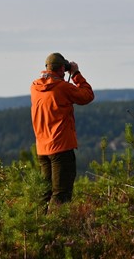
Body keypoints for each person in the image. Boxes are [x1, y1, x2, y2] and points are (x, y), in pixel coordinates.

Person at [30, 52, 94, 208]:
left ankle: (39, 227)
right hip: (61, 148)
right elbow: (87, 96)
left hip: (42, 150)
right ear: (61, 69)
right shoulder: (62, 87)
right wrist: (76, 74)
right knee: (61, 194)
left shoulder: (35, 87)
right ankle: (59, 229)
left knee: (45, 194)